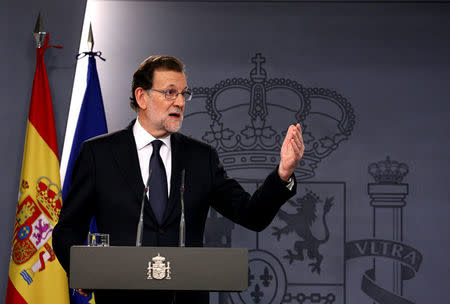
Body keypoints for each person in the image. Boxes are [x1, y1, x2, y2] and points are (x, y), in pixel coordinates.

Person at [53, 55, 305, 303]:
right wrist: (82, 272)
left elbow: (252, 215)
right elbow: (68, 228)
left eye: (184, 94)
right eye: (170, 93)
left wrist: (283, 173)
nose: (180, 102)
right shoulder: (99, 154)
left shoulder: (201, 157)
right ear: (142, 97)